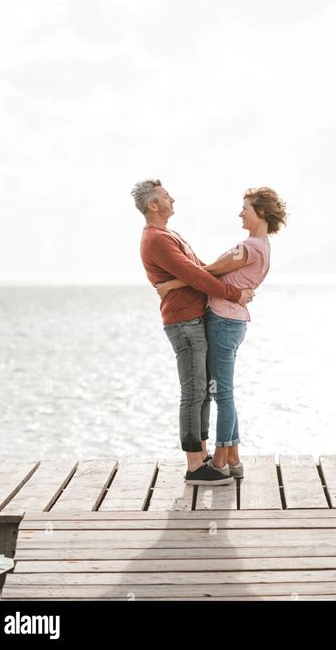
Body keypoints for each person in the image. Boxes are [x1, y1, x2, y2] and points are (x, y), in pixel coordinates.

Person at [156, 187, 287, 480]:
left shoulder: (247, 247)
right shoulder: (262, 246)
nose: (240, 213)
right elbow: (209, 272)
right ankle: (234, 458)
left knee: (221, 394)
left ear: (261, 213)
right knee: (224, 393)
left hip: (223, 322)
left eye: (246, 208)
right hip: (234, 322)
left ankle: (220, 461)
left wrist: (171, 285)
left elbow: (206, 272)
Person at [131, 179, 255, 487]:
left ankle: (201, 458)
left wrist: (228, 274)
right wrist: (233, 294)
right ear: (153, 205)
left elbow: (200, 269)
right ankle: (195, 465)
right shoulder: (156, 239)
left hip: (195, 318)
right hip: (182, 322)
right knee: (194, 392)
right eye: (165, 196)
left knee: (203, 393)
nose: (173, 199)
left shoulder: (169, 235)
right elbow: (195, 275)